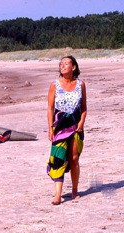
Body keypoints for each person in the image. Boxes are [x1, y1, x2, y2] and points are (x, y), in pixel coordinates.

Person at [47, 55, 87, 205]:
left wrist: (82, 122)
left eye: (66, 64)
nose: (62, 66)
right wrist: (50, 128)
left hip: (76, 125)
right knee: (58, 158)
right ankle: (58, 195)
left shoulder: (81, 84)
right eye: (61, 64)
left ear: (74, 67)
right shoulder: (54, 85)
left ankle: (75, 190)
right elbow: (50, 108)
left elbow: (83, 108)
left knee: (74, 158)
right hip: (60, 125)